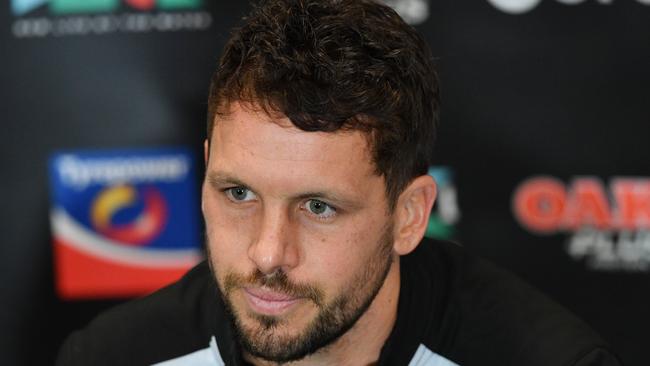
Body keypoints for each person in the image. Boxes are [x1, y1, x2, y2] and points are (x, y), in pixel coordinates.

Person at [56, 0, 622, 365]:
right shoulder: (112, 356)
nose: (268, 253)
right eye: (238, 194)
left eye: (319, 207)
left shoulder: (549, 359)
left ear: (409, 216)